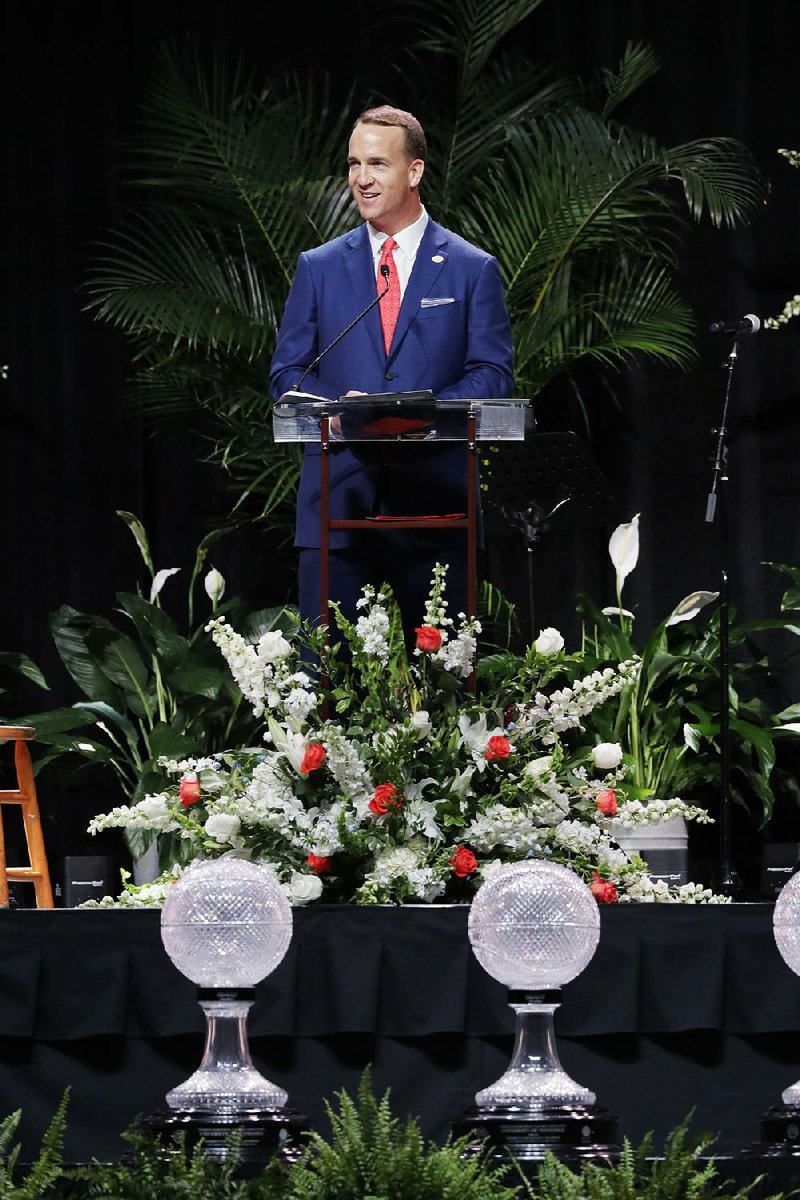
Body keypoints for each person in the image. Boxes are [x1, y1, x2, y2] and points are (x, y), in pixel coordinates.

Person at [269, 104, 514, 637]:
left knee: (444, 692)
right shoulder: (319, 267)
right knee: (326, 688)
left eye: (377, 164)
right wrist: (339, 413)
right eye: (354, 164)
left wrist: (417, 414)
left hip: (436, 505)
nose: (361, 178)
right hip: (338, 499)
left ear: (415, 171)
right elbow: (287, 373)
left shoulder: (473, 269)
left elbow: (493, 374)